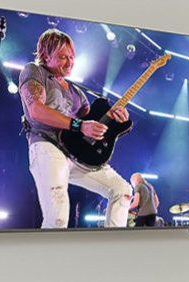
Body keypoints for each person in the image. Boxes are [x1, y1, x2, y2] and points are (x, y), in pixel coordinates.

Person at [20, 28, 132, 228]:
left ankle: (113, 248)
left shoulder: (77, 93)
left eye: (72, 57)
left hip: (74, 154)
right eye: (63, 57)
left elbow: (92, 127)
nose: (70, 62)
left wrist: (117, 121)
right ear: (45, 56)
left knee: (122, 190)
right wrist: (79, 125)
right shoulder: (34, 71)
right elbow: (36, 110)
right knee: (58, 218)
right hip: (47, 145)